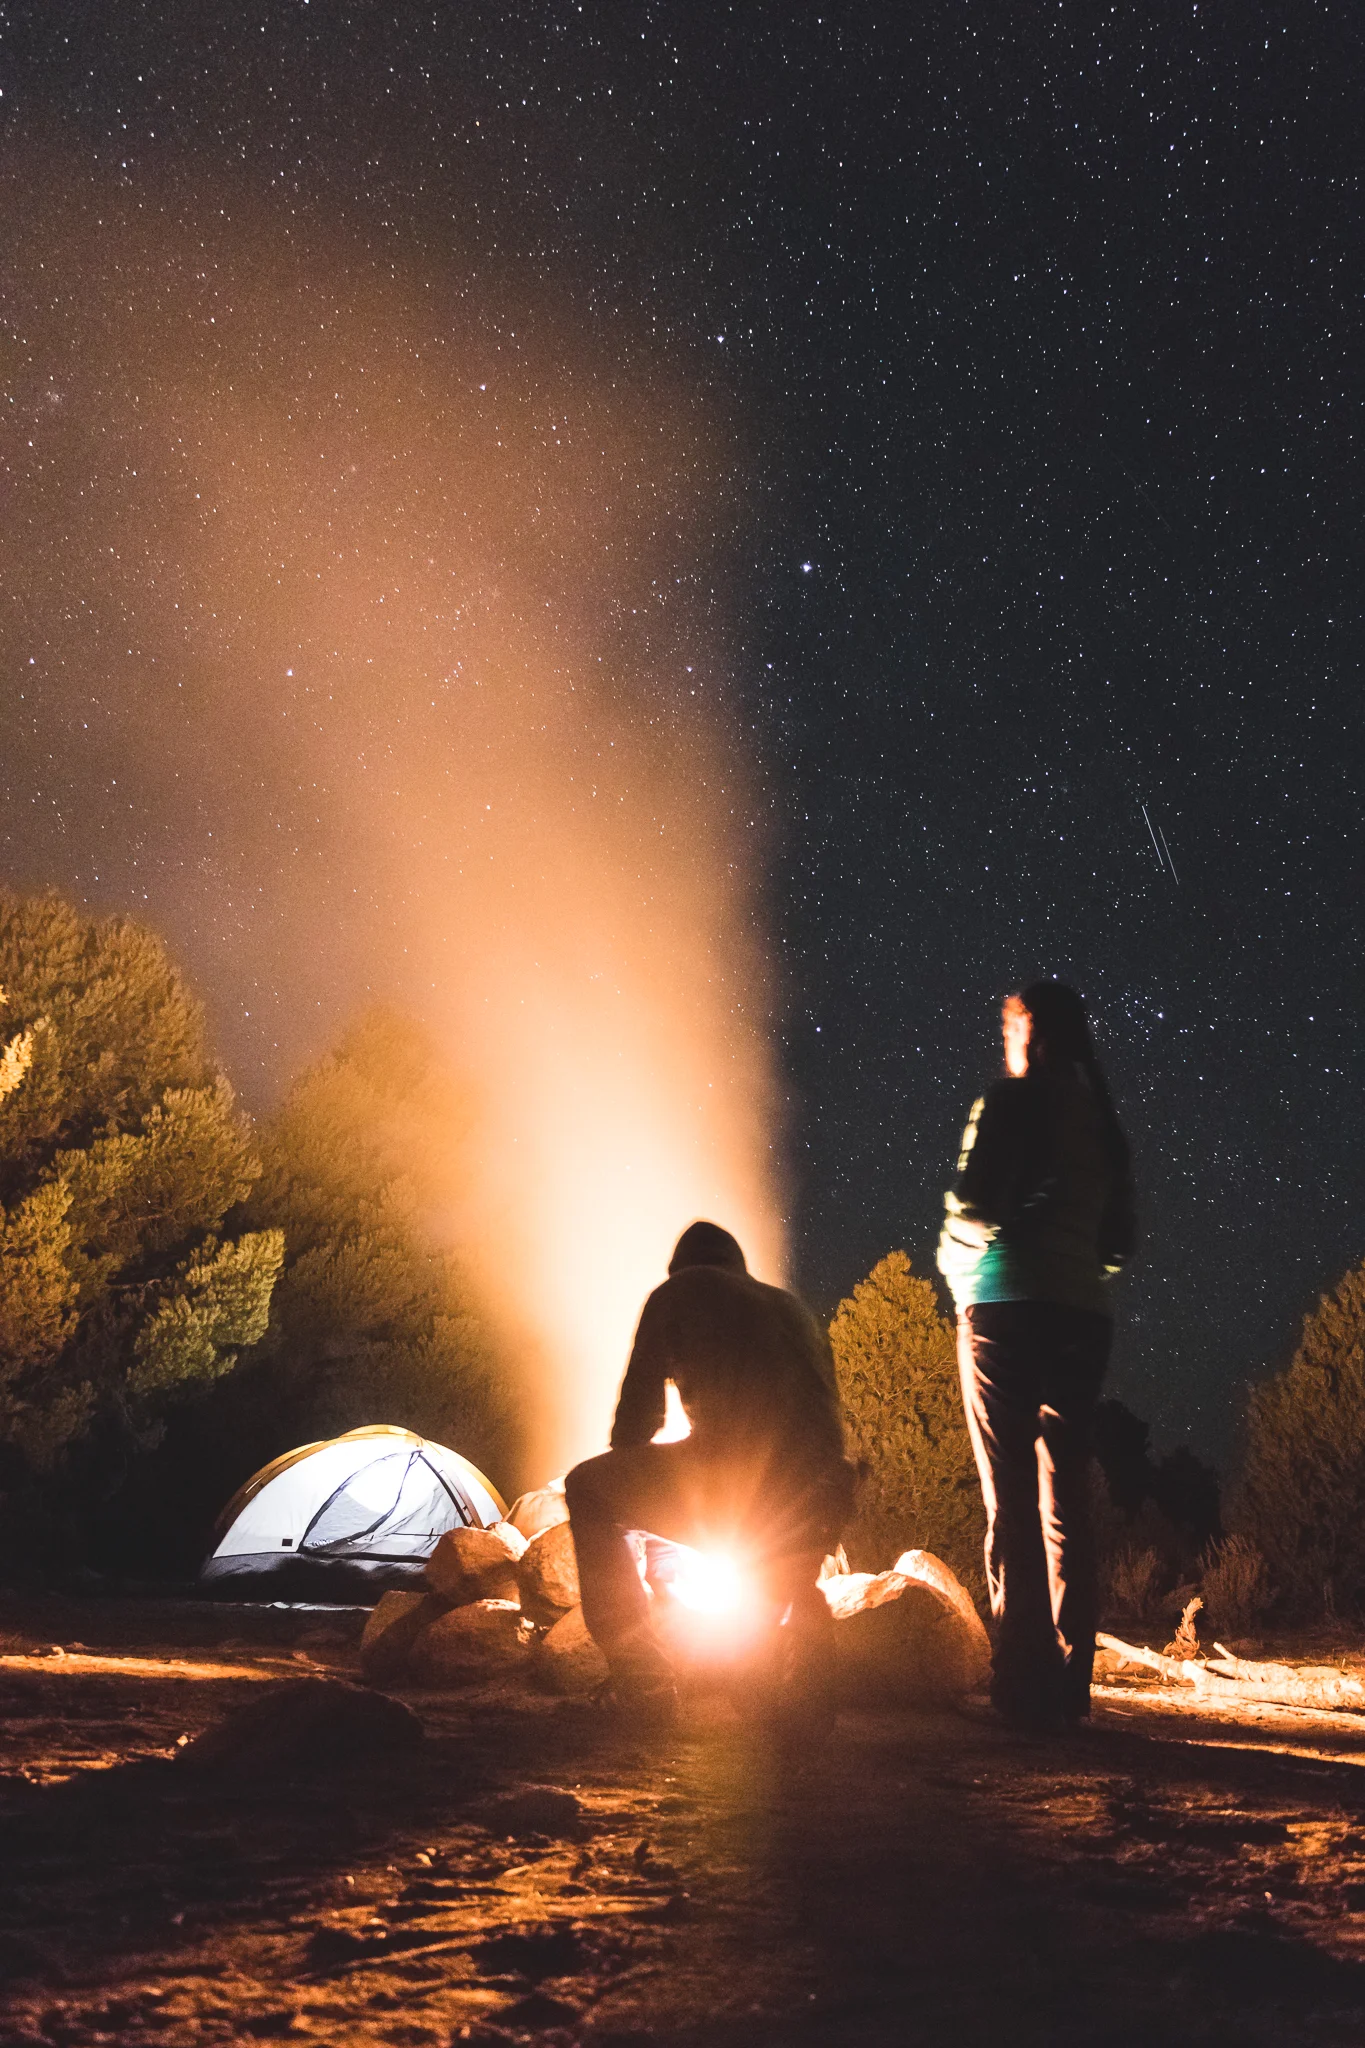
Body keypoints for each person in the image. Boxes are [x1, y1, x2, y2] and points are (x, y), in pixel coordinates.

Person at [937, 981, 1136, 1730]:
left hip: (1004, 1308)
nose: (1004, 1040)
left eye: (1009, 1025)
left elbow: (975, 1204)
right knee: (1066, 1503)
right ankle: (1070, 1686)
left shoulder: (1010, 1102)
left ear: (1030, 1033)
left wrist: (957, 1269)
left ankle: (1021, 1685)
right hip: (1082, 1317)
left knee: (1011, 1500)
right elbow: (1116, 1244)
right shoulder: (1103, 1126)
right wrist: (1071, 1267)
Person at [564, 1219, 852, 1725]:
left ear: (680, 1269)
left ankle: (643, 1683)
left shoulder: (677, 1293)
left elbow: (636, 1424)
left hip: (743, 1486)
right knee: (776, 1583)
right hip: (827, 1492)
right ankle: (797, 1684)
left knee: (587, 1488)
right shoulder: (790, 1307)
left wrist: (651, 1532)